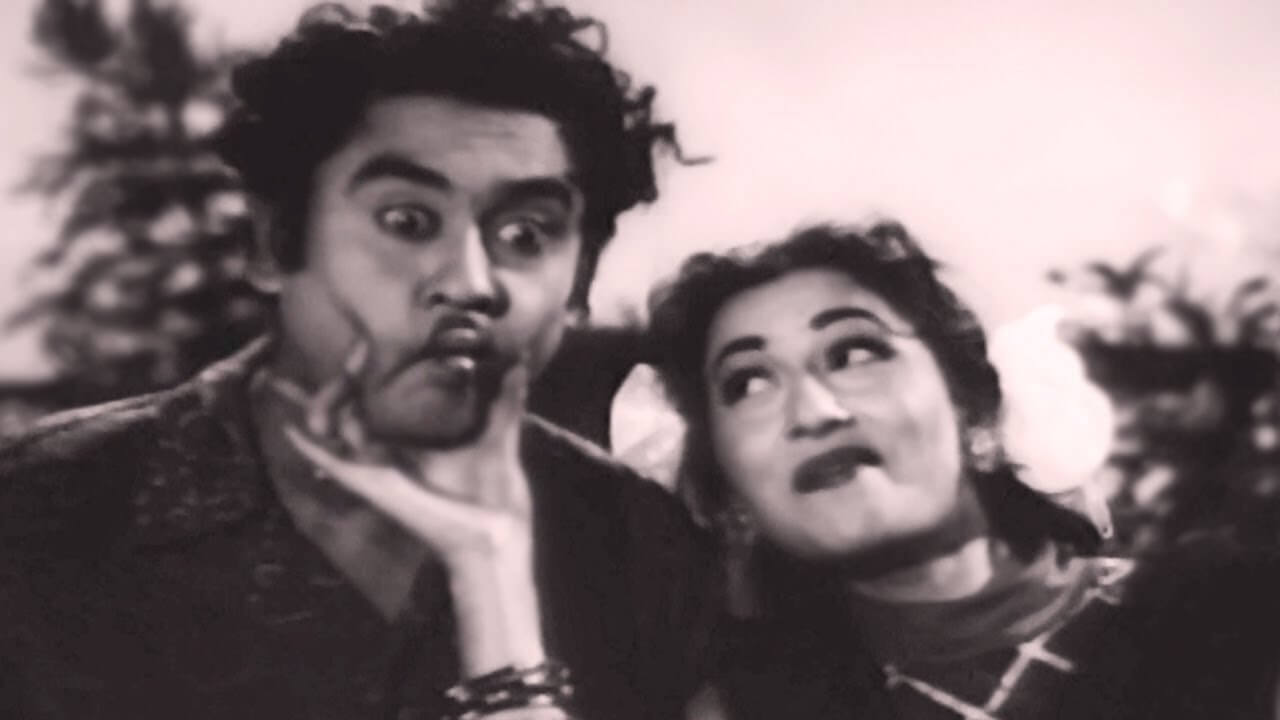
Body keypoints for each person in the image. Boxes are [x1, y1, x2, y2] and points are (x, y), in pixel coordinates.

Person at [0, 3, 718, 718]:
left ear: (579, 285)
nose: (470, 282)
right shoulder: (42, 508)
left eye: (526, 235)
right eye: (407, 221)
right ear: (274, 243)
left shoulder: (638, 546)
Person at [647, 222, 1280, 720]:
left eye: (854, 352)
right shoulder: (743, 712)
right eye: (749, 383)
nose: (813, 411)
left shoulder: (1235, 619)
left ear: (974, 412)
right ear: (729, 490)